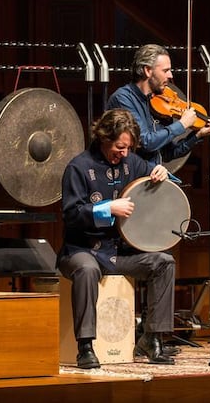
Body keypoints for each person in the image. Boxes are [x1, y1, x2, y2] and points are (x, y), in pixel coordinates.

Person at [58, 108, 177, 368]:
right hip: (82, 250)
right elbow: (71, 214)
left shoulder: (131, 162)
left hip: (117, 253)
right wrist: (107, 208)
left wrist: (161, 172)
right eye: (120, 147)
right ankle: (85, 346)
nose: (123, 153)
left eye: (128, 148)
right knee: (88, 270)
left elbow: (155, 176)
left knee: (163, 262)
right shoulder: (78, 167)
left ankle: (152, 338)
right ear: (104, 137)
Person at [106, 43, 210, 170]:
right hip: (129, 178)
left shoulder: (158, 102)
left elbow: (167, 154)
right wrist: (182, 124)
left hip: (153, 177)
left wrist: (198, 135)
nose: (171, 76)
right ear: (148, 71)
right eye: (165, 71)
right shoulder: (123, 99)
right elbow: (146, 143)